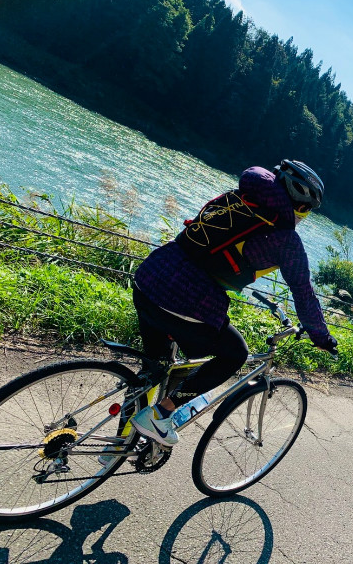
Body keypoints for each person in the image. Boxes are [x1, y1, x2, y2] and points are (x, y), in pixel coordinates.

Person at [130, 160, 338, 446]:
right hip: (185, 297)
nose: (303, 217)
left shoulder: (238, 199)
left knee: (153, 369)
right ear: (299, 207)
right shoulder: (286, 239)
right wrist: (322, 337)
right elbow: (304, 293)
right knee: (234, 353)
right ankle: (160, 415)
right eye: (306, 211)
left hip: (149, 277)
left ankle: (116, 446)